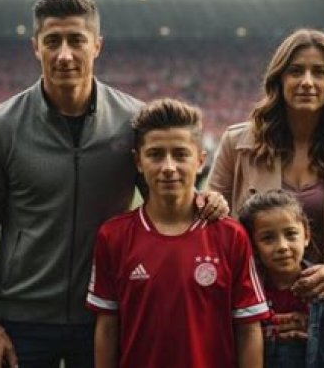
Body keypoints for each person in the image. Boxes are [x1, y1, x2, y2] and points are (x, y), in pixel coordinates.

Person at [0, 0, 228, 368]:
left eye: (76, 40)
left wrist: (205, 199)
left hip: (106, 315)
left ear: (97, 46)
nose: (64, 54)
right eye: (52, 41)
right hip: (23, 321)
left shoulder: (133, 122)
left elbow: (168, 206)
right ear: (35, 47)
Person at [207, 28, 324, 355]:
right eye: (296, 71)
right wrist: (209, 202)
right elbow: (210, 227)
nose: (307, 81)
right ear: (279, 80)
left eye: (319, 72)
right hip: (254, 312)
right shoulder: (237, 143)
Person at [87, 98, 268, 368]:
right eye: (155, 154)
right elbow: (107, 328)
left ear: (200, 161)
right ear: (138, 161)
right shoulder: (113, 236)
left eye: (180, 154)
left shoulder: (231, 236)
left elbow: (248, 329)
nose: (169, 167)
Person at [239, 189, 324, 368]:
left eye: (290, 234)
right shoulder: (244, 293)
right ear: (253, 245)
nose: (282, 246)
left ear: (306, 236)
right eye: (268, 238)